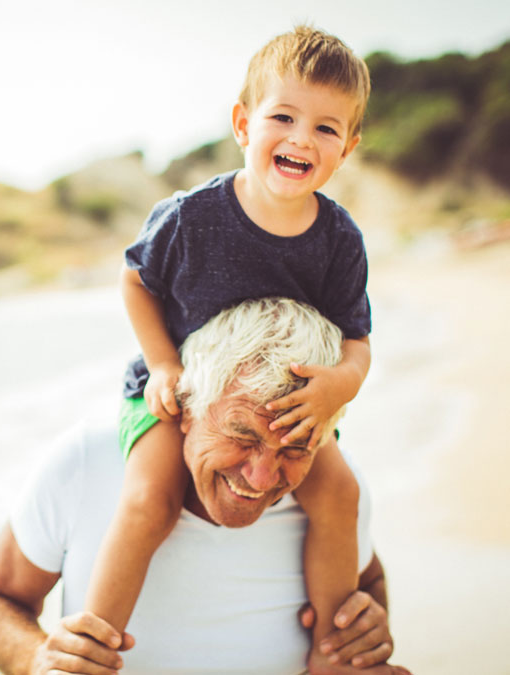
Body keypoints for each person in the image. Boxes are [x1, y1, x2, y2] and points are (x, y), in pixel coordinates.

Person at [86, 26, 373, 673]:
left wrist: (339, 386)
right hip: (182, 392)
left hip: (286, 407)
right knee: (148, 498)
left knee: (340, 491)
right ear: (244, 123)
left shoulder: (338, 239)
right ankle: (91, 644)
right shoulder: (191, 218)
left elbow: (357, 340)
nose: (302, 139)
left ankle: (333, 648)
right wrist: (162, 362)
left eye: (327, 129)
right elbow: (136, 282)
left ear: (348, 147)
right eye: (284, 117)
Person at [0, 298, 409, 674]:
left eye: (295, 449)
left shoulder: (332, 491)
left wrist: (365, 626)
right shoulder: (87, 462)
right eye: (241, 436)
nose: (261, 477)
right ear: (185, 404)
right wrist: (36, 658)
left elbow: (368, 578)